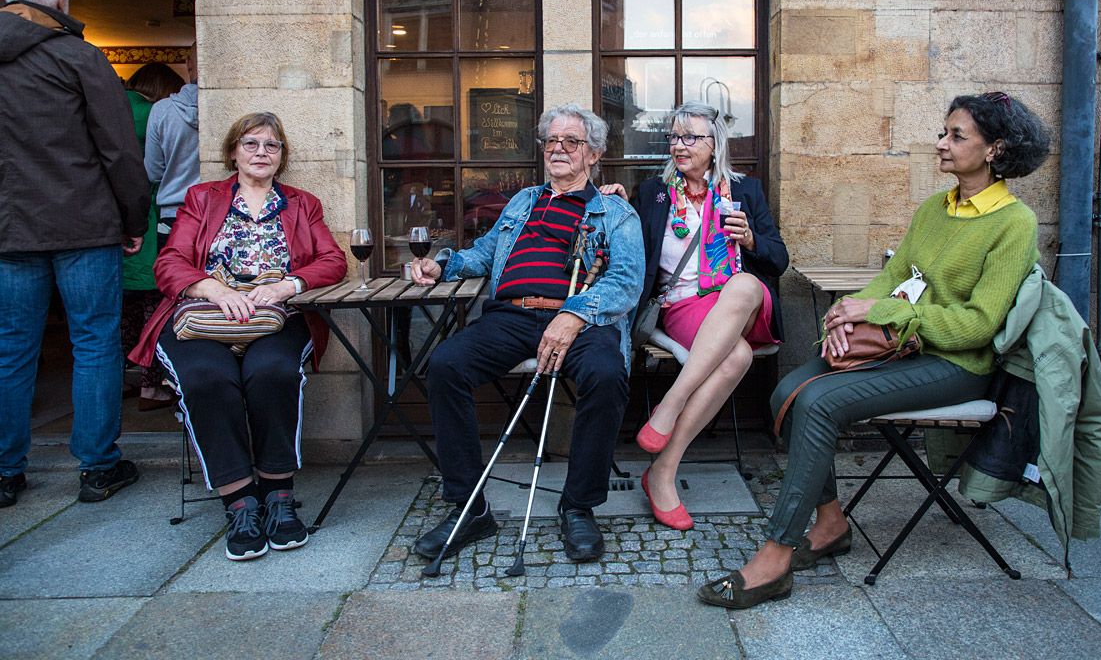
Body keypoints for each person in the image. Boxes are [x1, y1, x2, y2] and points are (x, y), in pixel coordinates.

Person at [697, 92, 1050, 609]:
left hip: (957, 365)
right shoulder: (937, 207)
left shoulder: (1014, 224)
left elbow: (978, 327)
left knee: (819, 402)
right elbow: (892, 278)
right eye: (943, 132)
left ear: (995, 149)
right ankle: (832, 521)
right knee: (787, 392)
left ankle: (775, 555)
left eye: (957, 135)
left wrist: (882, 314)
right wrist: (844, 315)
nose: (941, 143)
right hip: (897, 349)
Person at [408, 104, 644, 564]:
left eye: (571, 142)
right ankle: (469, 508)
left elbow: (626, 281)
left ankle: (578, 505)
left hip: (582, 317)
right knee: (445, 364)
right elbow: (484, 253)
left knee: (605, 373)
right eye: (551, 141)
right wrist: (444, 263)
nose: (558, 148)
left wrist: (573, 315)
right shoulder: (523, 202)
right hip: (510, 317)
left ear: (593, 154)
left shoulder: (614, 212)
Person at [130, 112, 347, 560]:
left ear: (282, 156)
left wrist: (286, 286)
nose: (262, 153)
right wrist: (213, 288)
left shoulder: (302, 203)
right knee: (207, 380)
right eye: (251, 144)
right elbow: (169, 262)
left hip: (275, 317)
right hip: (204, 316)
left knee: (272, 372)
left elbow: (333, 261)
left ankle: (278, 496)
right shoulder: (202, 198)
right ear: (233, 151)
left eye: (272, 146)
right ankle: (240, 502)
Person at [0, 0, 151, 507]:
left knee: (10, 350)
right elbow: (119, 150)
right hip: (84, 227)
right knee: (93, 344)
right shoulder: (79, 58)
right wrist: (134, 219)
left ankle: (4, 472)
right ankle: (98, 466)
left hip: (9, 232)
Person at [603, 101, 788, 531]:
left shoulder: (747, 192)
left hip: (739, 303)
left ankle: (670, 404)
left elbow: (779, 261)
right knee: (737, 357)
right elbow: (627, 240)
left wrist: (752, 240)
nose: (678, 145)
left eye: (690, 137)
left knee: (743, 286)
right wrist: (613, 203)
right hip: (683, 305)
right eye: (673, 137)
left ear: (714, 143)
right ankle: (662, 473)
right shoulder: (654, 193)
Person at [121, 62, 185, 411]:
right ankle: (152, 384)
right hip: (148, 216)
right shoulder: (155, 112)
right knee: (155, 306)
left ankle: (113, 380)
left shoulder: (113, 106)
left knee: (119, 313)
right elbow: (153, 170)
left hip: (110, 219)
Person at [144, 42, 199, 239]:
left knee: (174, 269)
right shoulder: (232, 107)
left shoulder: (162, 110)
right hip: (219, 211)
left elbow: (153, 171)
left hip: (173, 213)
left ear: (188, 64)